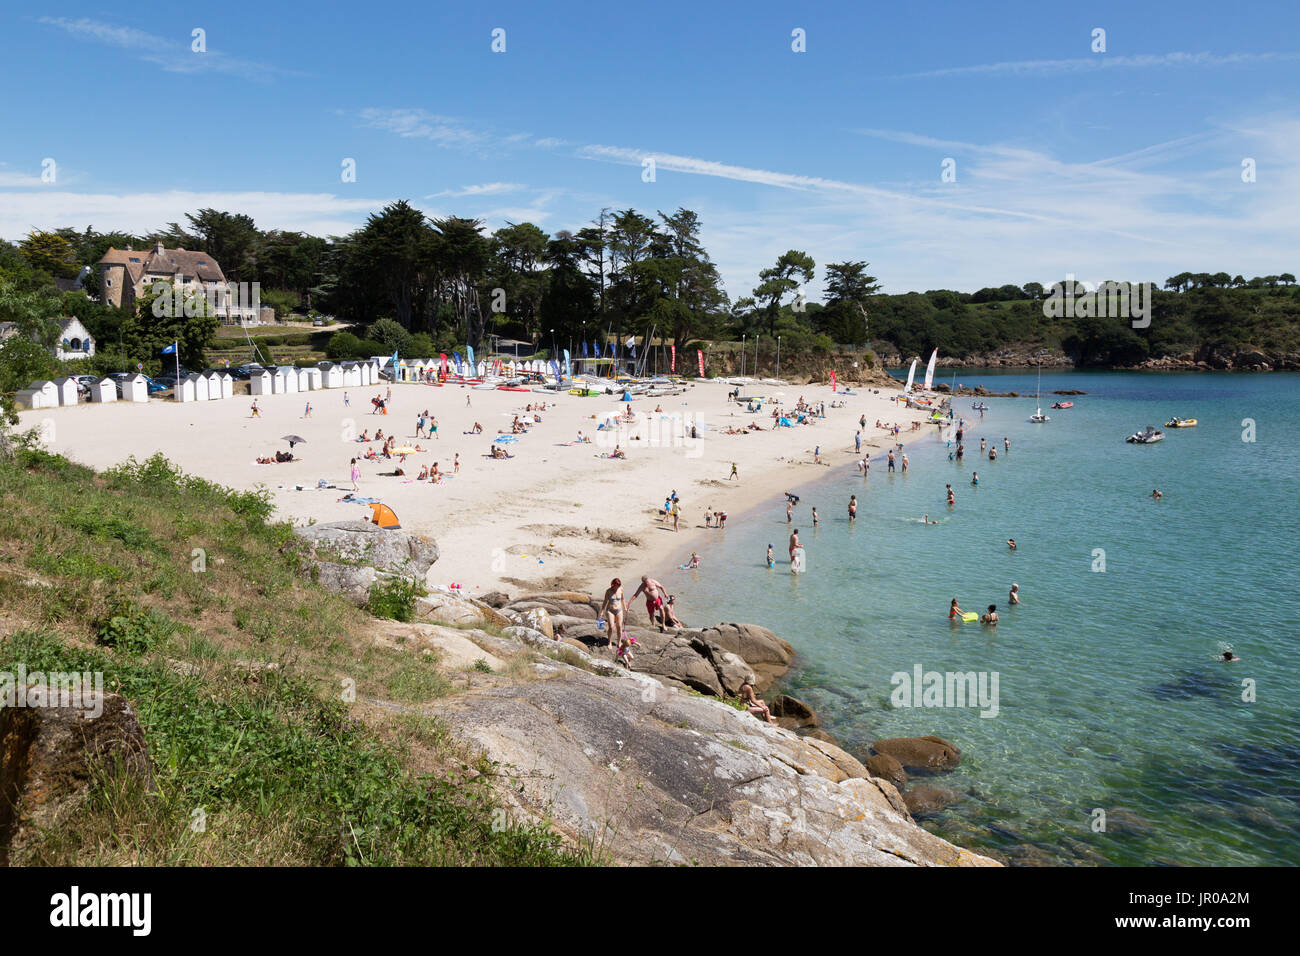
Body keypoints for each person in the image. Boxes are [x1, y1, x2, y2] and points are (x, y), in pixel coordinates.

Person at [598, 578, 627, 654]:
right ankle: (609, 642)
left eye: (619, 586)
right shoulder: (608, 591)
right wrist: (602, 611)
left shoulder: (621, 589)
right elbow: (605, 601)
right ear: (613, 584)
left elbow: (623, 599)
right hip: (610, 610)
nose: (617, 587)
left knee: (619, 626)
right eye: (616, 586)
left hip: (619, 610)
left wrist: (625, 607)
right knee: (611, 626)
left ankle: (619, 642)